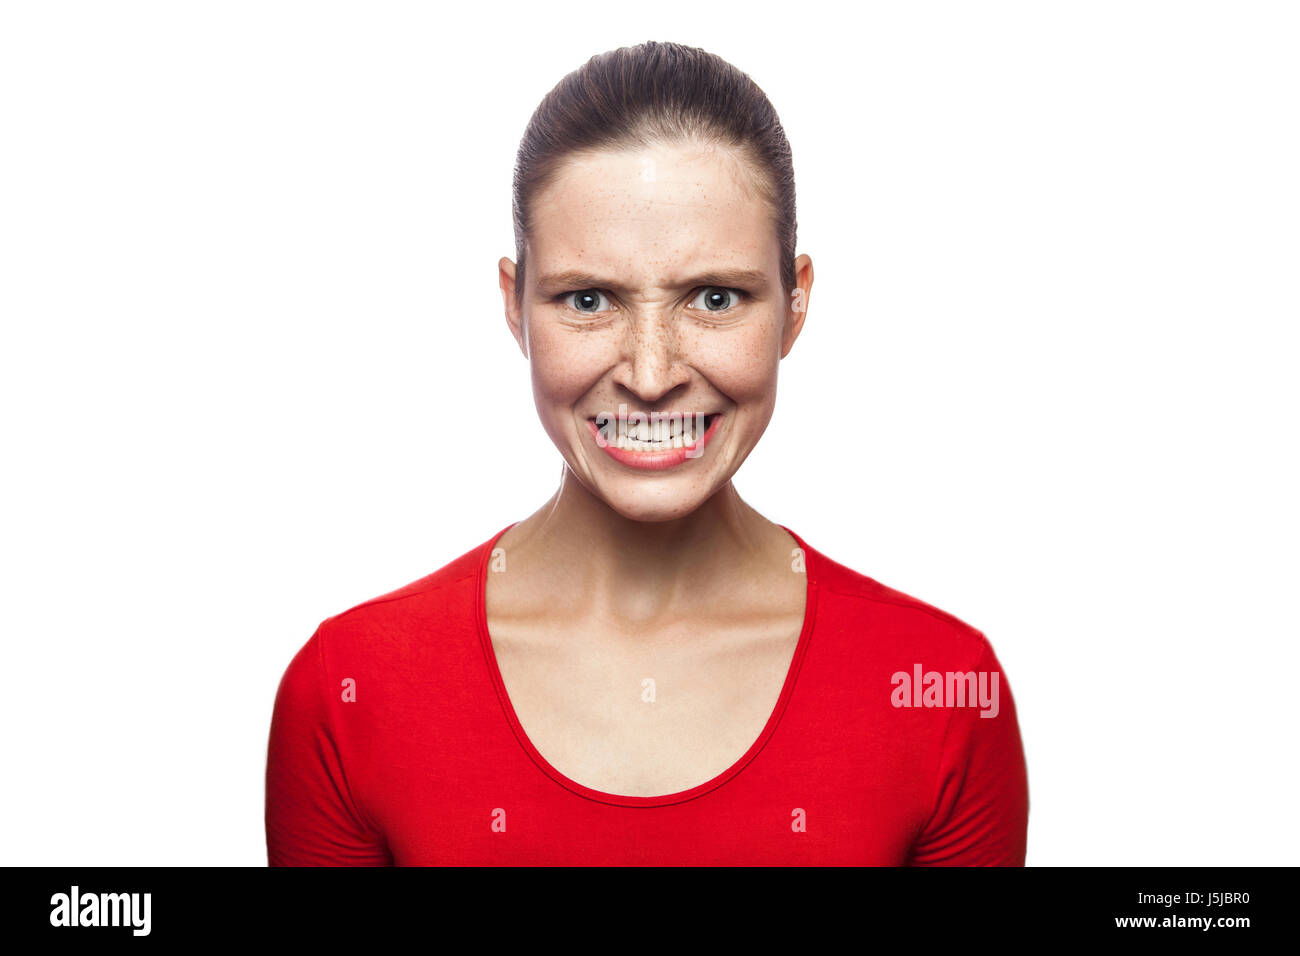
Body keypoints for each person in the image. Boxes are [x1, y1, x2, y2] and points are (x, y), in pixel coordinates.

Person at [265, 40, 1029, 865]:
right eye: (588, 300)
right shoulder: (349, 691)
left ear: (795, 304)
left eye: (715, 298)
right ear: (515, 308)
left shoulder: (942, 693)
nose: (653, 374)